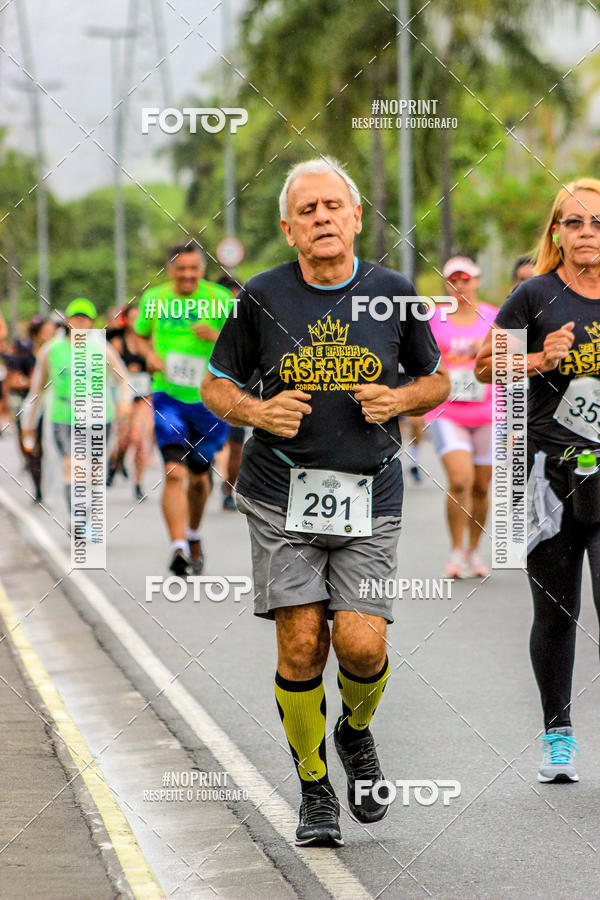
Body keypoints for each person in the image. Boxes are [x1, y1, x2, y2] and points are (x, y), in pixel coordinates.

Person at [201, 157, 449, 847]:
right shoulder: (261, 295)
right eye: (307, 211)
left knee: (362, 645)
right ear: (289, 227)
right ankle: (314, 788)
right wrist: (257, 410)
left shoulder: (393, 292)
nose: (322, 219)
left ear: (356, 216)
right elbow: (215, 385)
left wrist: (399, 399)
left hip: (370, 491)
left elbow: (437, 381)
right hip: (281, 494)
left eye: (332, 207)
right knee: (303, 640)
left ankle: (355, 731)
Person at [476, 177, 600, 783]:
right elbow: (481, 366)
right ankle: (558, 735)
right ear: (556, 232)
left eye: (597, 222)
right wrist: (535, 360)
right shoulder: (535, 297)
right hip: (547, 477)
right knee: (557, 611)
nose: (587, 234)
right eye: (574, 223)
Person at [134, 242, 233, 575]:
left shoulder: (221, 299)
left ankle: (193, 535)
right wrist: (149, 356)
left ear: (202, 269)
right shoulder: (154, 300)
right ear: (170, 270)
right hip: (168, 396)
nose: (188, 275)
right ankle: (177, 547)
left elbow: (245, 345)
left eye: (194, 268)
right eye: (181, 269)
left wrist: (216, 335)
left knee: (200, 480)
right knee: (174, 473)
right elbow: (139, 337)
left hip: (210, 399)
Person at [21, 299, 130, 526]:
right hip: (64, 415)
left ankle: (86, 507)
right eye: (76, 318)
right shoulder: (52, 350)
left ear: (91, 322)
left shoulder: (101, 348)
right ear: (68, 321)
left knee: (92, 470)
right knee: (72, 464)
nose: (80, 322)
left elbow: (122, 379)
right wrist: (29, 424)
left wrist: (124, 403)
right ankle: (76, 515)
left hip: (99, 415)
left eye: (85, 318)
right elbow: (37, 389)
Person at [424, 257, 498, 578]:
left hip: (488, 412)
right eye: (453, 280)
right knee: (460, 480)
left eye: (466, 279)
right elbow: (421, 362)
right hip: (447, 412)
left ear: (477, 281)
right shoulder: (433, 319)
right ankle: (456, 551)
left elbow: (511, 364)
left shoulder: (495, 317)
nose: (460, 286)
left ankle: (474, 549)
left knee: (482, 487)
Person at [3, 317, 56, 501]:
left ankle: (52, 487)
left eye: (53, 332)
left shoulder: (57, 353)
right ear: (37, 334)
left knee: (50, 447)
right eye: (47, 331)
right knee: (33, 447)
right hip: (29, 404)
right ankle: (38, 488)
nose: (51, 335)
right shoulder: (26, 356)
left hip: (52, 405)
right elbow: (15, 381)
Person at [107, 305, 154, 501]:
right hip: (124, 396)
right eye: (132, 317)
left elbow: (156, 364)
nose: (136, 322)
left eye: (139, 317)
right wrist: (127, 372)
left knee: (139, 439)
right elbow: (112, 368)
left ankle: (138, 484)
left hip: (145, 396)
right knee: (124, 439)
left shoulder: (150, 341)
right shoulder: (118, 342)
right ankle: (114, 462)